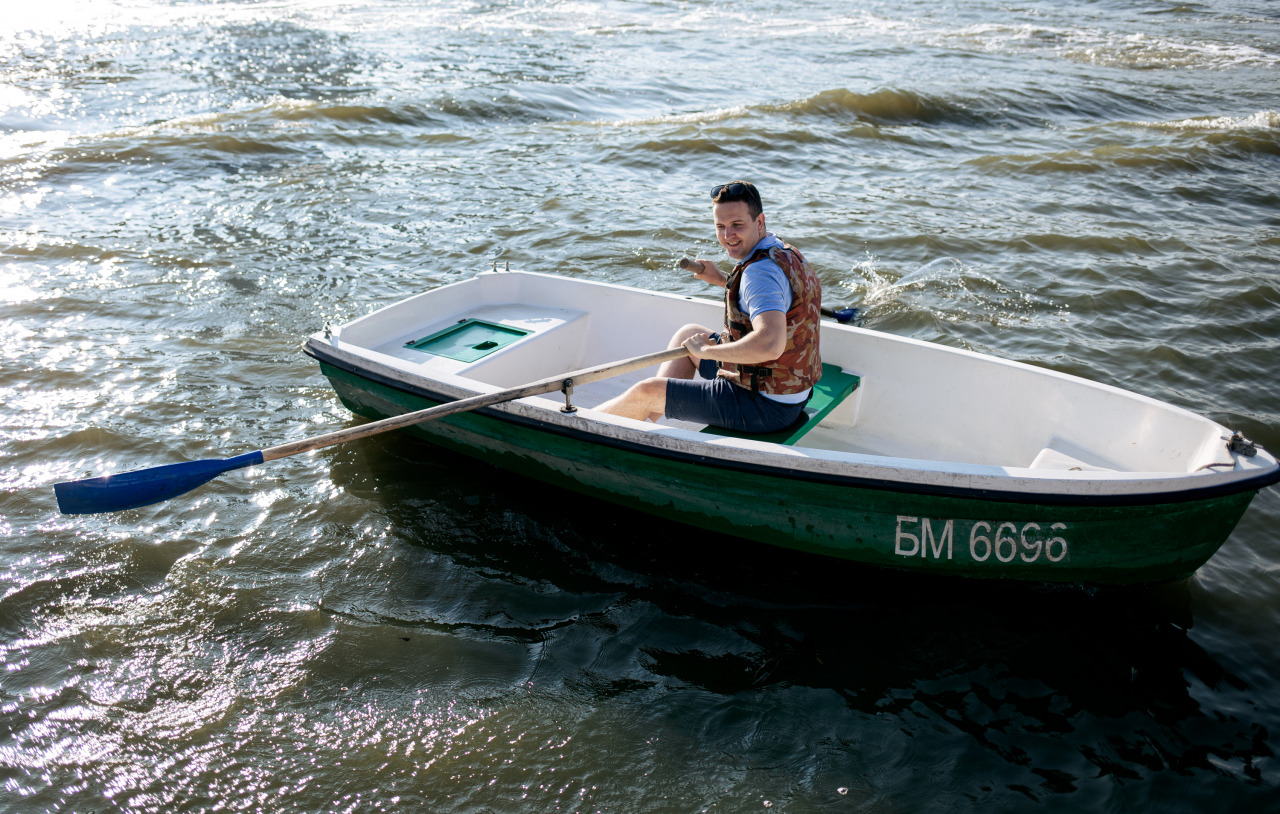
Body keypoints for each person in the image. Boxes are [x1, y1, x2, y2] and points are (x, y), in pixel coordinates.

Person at [598, 181, 822, 432]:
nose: (728, 236)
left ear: (759, 222)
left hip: (765, 406)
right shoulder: (781, 250)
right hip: (792, 390)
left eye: (737, 225)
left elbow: (770, 344)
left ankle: (586, 426)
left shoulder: (759, 274)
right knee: (687, 334)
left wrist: (708, 351)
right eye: (720, 227)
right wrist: (723, 280)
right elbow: (768, 297)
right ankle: (643, 423)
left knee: (646, 390)